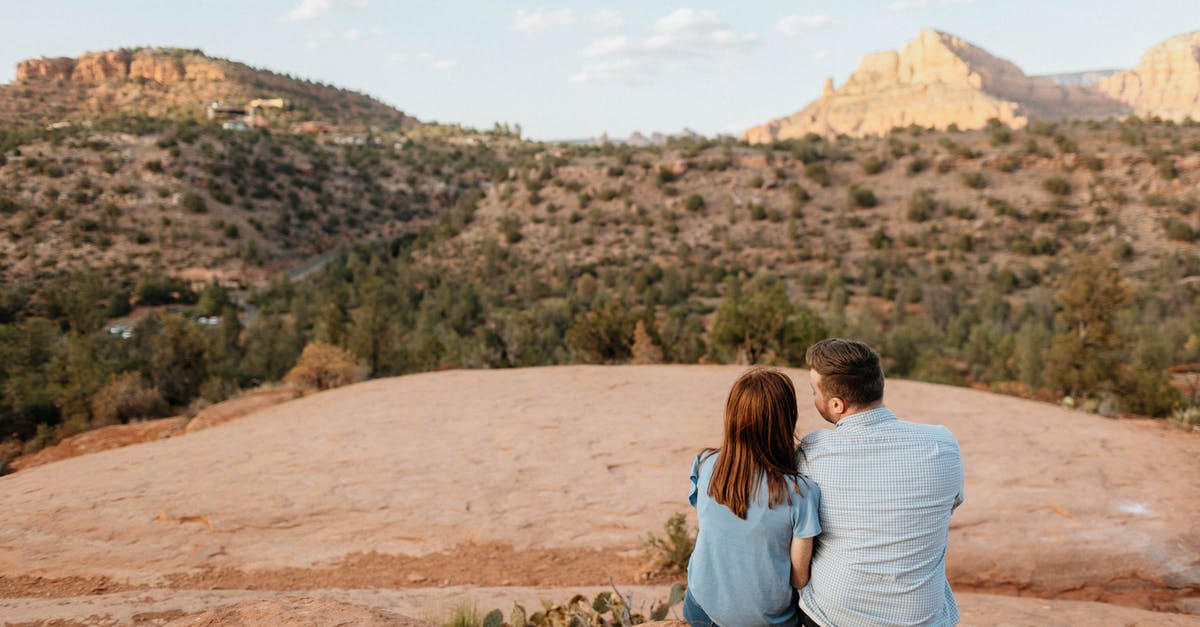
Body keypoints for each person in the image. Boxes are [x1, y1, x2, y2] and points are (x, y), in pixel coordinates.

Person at [797, 338, 965, 627]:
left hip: (836, 619)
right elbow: (951, 504)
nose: (814, 398)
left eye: (814, 392)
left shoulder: (813, 452)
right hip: (921, 619)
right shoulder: (942, 443)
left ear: (837, 405)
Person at [685, 367, 822, 627]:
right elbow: (798, 578)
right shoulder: (801, 493)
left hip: (700, 608)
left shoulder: (704, 464)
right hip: (765, 621)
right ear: (787, 419)